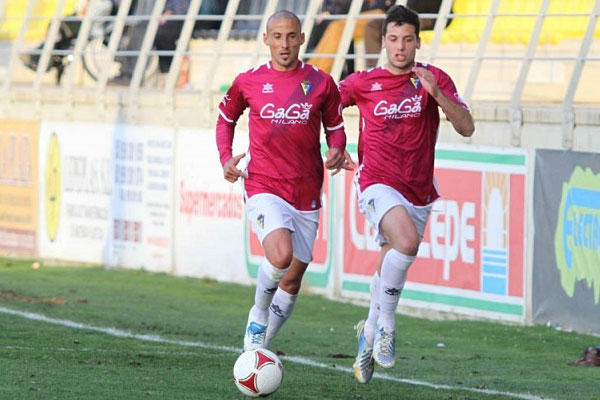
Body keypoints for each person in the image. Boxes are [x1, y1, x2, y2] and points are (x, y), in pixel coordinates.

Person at [338, 4, 474, 383]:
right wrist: (336, 145)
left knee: (391, 259)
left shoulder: (433, 79)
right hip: (376, 181)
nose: (400, 48)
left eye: (408, 40)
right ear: (383, 42)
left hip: (417, 190)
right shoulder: (363, 82)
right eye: (393, 40)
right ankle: (386, 328)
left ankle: (366, 334)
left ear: (418, 41)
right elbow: (325, 106)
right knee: (407, 241)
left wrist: (437, 95)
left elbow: (466, 127)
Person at [216, 10, 351, 351]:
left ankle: (257, 354)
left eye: (291, 36)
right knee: (280, 255)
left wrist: (337, 149)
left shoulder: (321, 82)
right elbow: (225, 119)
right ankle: (258, 316)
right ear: (266, 39)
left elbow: (335, 127)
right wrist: (225, 158)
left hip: (306, 190)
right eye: (277, 36)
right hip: (264, 185)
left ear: (302, 38)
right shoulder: (248, 82)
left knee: (291, 280)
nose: (285, 44)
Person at [307, 0, 392, 74]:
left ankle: (313, 76)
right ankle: (311, 74)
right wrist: (328, 10)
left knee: (337, 28)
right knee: (330, 27)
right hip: (361, 12)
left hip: (383, 12)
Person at [364, 0, 453, 68]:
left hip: (428, 14)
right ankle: (373, 70)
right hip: (400, 13)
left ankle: (400, 70)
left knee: (403, 27)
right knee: (372, 26)